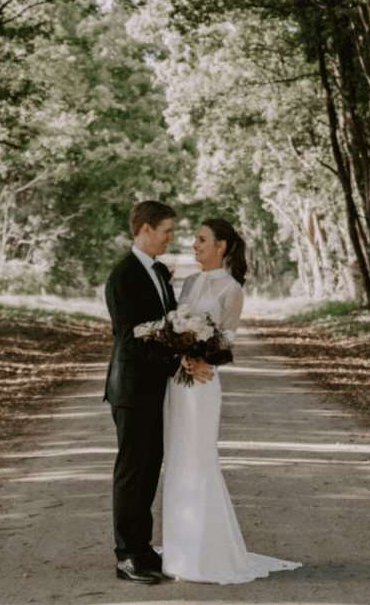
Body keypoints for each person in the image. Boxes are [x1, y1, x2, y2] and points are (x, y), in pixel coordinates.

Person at [159, 217, 301, 584]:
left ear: (220, 247)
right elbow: (173, 328)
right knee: (177, 458)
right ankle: (179, 549)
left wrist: (201, 361)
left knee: (199, 459)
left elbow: (227, 342)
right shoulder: (189, 282)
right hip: (178, 383)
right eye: (195, 239)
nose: (194, 245)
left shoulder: (232, 288)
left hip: (203, 383)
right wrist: (181, 356)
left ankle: (206, 551)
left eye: (201, 239)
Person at [103, 200, 205, 585]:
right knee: (133, 472)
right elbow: (129, 339)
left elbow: (168, 321)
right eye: (167, 230)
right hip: (131, 388)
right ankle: (126, 556)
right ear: (145, 229)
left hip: (156, 389)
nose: (171, 237)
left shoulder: (160, 272)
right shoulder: (122, 276)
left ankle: (143, 547)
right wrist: (172, 352)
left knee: (149, 470)